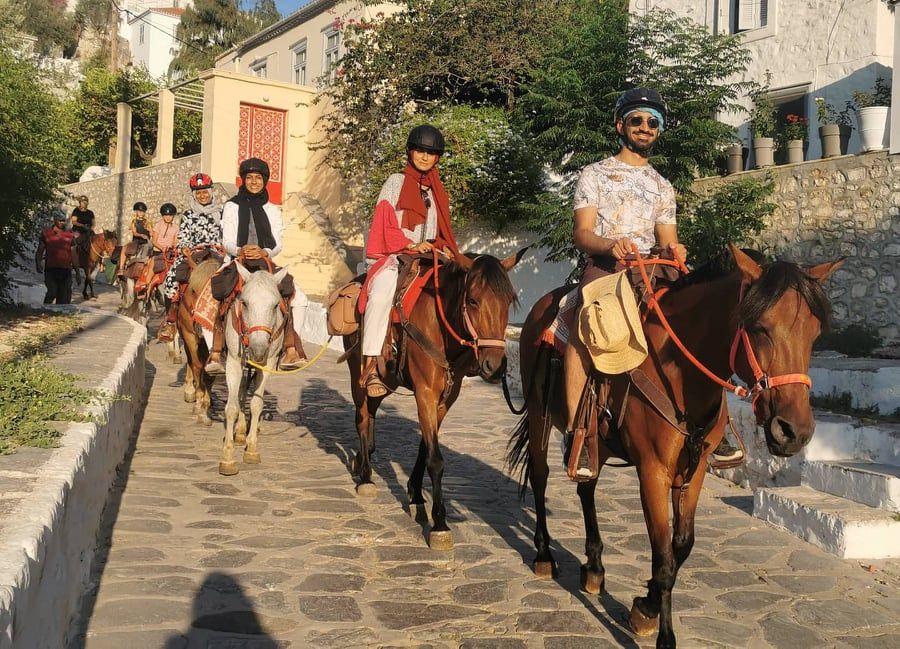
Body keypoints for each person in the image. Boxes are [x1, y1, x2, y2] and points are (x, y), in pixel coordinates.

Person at [563, 87, 742, 468]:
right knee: (586, 327)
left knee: (699, 328)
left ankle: (713, 427)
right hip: (608, 267)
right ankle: (581, 430)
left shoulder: (663, 185)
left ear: (659, 130)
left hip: (655, 270)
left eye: (653, 122)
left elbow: (668, 239)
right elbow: (582, 233)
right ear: (620, 125)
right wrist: (609, 245)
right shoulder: (594, 174)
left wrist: (676, 251)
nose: (645, 127)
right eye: (637, 120)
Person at [358, 124, 460, 397]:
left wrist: (444, 248)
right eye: (420, 151)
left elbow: (439, 231)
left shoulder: (436, 190)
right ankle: (371, 365)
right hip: (394, 255)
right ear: (410, 152)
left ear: (437, 157)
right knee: (381, 294)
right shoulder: (395, 182)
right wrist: (409, 244)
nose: (425, 157)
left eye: (431, 153)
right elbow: (385, 222)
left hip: (426, 256)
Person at [205, 157, 308, 373]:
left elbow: (278, 242)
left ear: (265, 181)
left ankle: (291, 348)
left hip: (264, 261)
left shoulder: (273, 209)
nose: (253, 182)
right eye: (249, 178)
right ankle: (215, 352)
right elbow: (227, 239)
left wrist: (265, 251)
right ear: (243, 180)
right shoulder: (232, 206)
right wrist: (240, 250)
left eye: (258, 178)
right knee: (215, 293)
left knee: (297, 296)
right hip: (237, 259)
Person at [158, 173, 223, 343]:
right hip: (194, 252)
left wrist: (223, 247)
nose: (202, 196)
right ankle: (171, 319)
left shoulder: (221, 213)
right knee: (172, 277)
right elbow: (182, 237)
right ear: (194, 195)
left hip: (218, 253)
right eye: (198, 193)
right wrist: (184, 248)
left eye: (205, 192)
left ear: (211, 192)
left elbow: (226, 235)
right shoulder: (188, 215)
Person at [35, 211, 76, 304]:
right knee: (52, 292)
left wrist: (76, 270)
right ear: (55, 220)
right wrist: (38, 262)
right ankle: (44, 311)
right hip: (51, 269)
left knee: (63, 296)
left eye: (64, 221)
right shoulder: (46, 233)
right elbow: (40, 250)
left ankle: (59, 315)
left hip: (65, 270)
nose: (62, 222)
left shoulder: (69, 234)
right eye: (60, 220)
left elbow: (73, 252)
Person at [117, 201, 152, 277]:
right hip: (136, 241)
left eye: (143, 211)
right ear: (136, 212)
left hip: (146, 241)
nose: (142, 213)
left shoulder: (147, 221)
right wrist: (141, 235)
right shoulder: (134, 221)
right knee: (124, 248)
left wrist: (151, 232)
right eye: (140, 211)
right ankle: (121, 268)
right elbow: (134, 233)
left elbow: (151, 230)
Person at [70, 195, 95, 281]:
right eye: (82, 202)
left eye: (85, 202)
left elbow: (93, 223)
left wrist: (90, 228)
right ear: (80, 202)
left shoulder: (90, 212)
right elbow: (74, 221)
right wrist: (82, 225)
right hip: (78, 231)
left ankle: (99, 262)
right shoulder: (76, 211)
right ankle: (74, 260)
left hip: (87, 231)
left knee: (96, 242)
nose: (84, 203)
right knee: (75, 242)